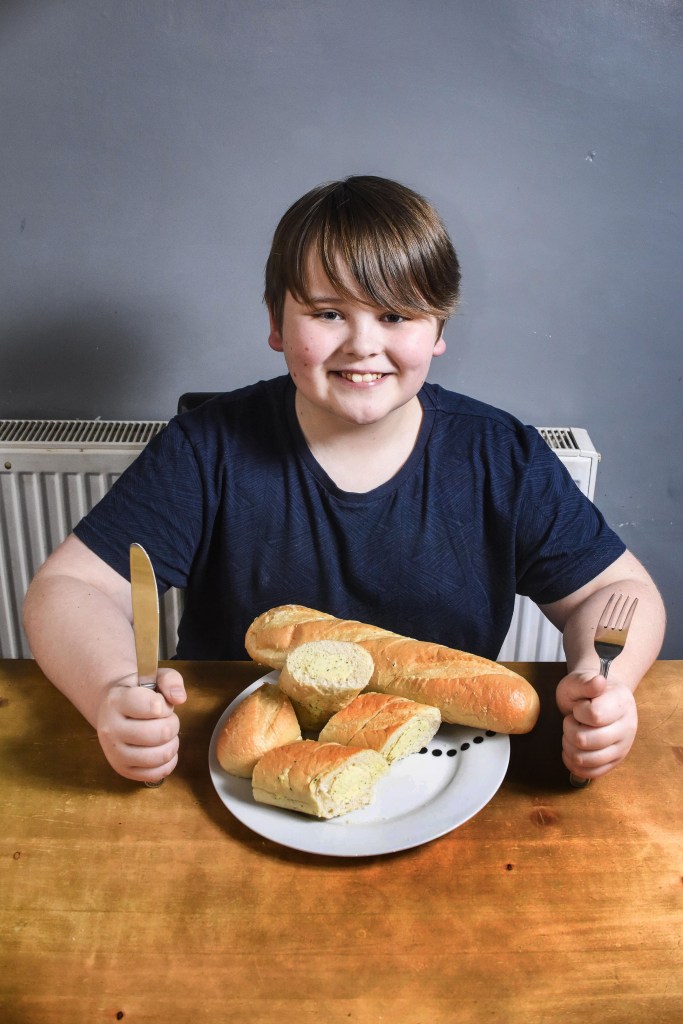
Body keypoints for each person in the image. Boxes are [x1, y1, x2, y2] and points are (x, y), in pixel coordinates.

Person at [22, 175, 665, 786]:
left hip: (442, 770)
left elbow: (616, 591)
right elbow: (69, 587)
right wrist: (112, 688)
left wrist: (602, 678)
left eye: (394, 315)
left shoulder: (501, 456)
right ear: (276, 322)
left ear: (438, 327)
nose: (362, 343)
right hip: (238, 770)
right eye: (328, 313)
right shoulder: (205, 449)